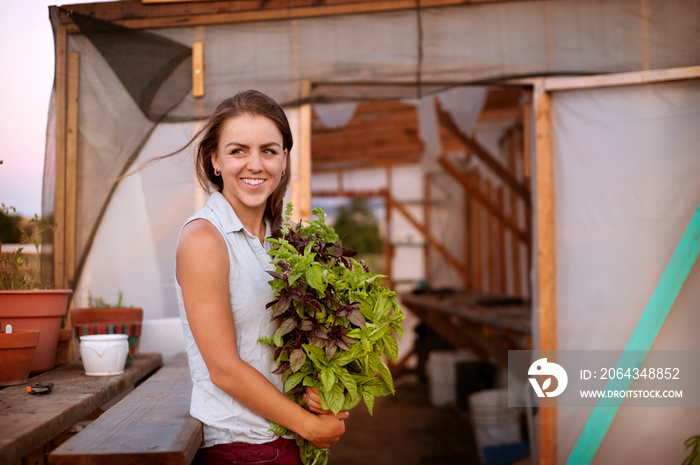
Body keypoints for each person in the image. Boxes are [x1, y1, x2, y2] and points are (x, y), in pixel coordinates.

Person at [174, 90, 348, 465]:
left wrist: (316, 391)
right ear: (215, 160)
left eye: (268, 151)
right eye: (238, 151)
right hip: (242, 450)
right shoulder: (205, 239)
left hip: (281, 444)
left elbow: (272, 352)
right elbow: (224, 368)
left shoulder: (278, 241)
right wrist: (309, 425)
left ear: (284, 160)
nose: (255, 164)